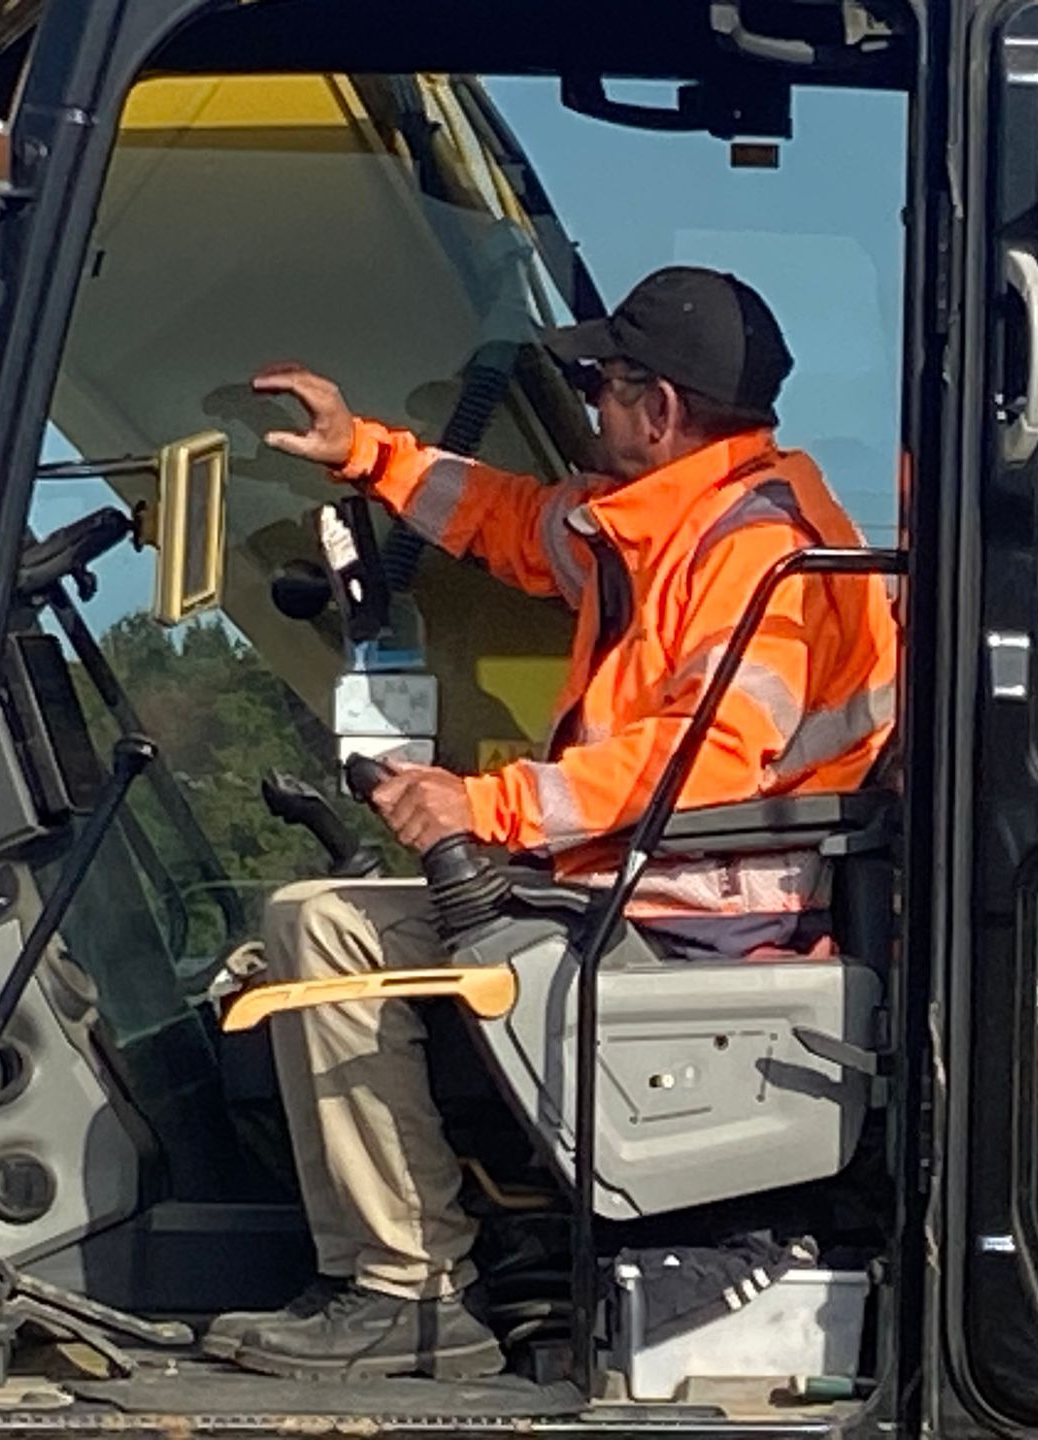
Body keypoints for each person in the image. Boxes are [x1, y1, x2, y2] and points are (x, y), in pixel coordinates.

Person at [213, 267, 900, 1380]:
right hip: (639, 887)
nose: (586, 406)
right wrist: (365, 452)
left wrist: (485, 806)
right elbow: (515, 526)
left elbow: (703, 762)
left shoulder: (755, 551)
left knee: (325, 933)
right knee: (320, 929)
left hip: (692, 916)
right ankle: (406, 1273)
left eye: (600, 383)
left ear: (661, 409)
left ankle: (408, 1288)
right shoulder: (677, 520)